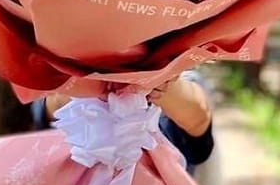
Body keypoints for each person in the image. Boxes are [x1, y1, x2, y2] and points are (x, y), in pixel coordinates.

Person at [31, 71, 214, 175]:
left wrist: (158, 79)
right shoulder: (61, 77)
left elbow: (198, 119)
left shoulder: (180, 79)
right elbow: (46, 114)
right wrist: (81, 79)